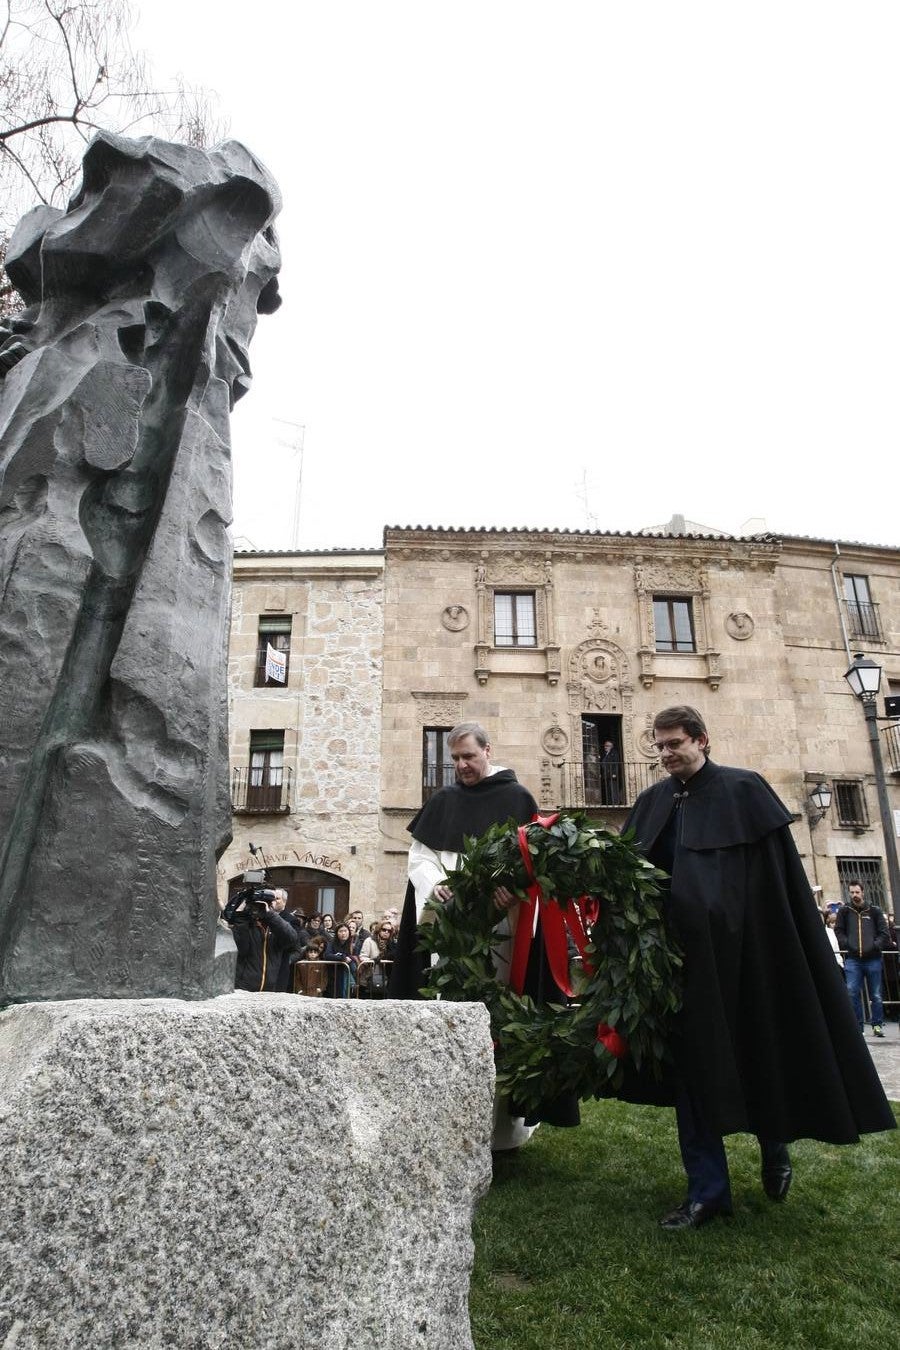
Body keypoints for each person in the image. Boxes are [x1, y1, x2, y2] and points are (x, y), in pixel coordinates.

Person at [624, 705, 896, 1230]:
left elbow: (777, 888)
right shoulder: (653, 801)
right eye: (658, 746)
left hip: (747, 959)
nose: (666, 754)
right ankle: (707, 1192)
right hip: (681, 967)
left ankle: (775, 1149)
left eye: (674, 743)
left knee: (757, 1053)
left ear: (703, 739)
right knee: (694, 1073)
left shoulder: (744, 790)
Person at [389, 720, 576, 1148]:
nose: (461, 765)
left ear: (488, 751)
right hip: (450, 925)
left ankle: (501, 1131)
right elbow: (420, 856)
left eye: (468, 756)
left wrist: (513, 891)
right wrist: (435, 882)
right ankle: (447, 1121)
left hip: (503, 932)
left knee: (500, 1014)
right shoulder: (443, 801)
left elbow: (532, 863)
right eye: (454, 758)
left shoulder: (516, 798)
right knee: (450, 1010)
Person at [835, 881, 891, 1036]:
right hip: (853, 959)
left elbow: (884, 933)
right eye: (852, 892)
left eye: (857, 892)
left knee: (876, 994)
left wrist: (875, 945)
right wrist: (847, 944)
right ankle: (858, 1027)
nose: (854, 895)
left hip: (873, 958)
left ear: (863, 892)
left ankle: (877, 1025)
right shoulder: (845, 911)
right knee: (852, 991)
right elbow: (838, 930)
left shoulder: (874, 911)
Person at [223, 886, 298, 994]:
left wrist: (270, 915)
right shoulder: (245, 924)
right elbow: (241, 949)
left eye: (272, 900)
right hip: (243, 989)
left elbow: (292, 940)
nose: (266, 904)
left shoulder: (277, 926)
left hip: (271, 989)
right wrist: (240, 917)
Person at [599, 739, 621, 805]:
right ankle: (609, 803)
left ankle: (615, 803)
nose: (605, 747)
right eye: (605, 746)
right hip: (606, 775)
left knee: (613, 789)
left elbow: (616, 764)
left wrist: (614, 773)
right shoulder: (605, 754)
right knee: (608, 789)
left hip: (612, 774)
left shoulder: (614, 753)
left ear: (611, 746)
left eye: (607, 746)